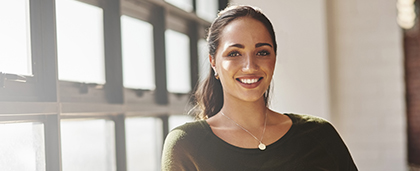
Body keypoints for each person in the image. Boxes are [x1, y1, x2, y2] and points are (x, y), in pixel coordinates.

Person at [162, 5, 358, 171]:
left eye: (262, 52)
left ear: (274, 59)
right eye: (234, 53)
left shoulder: (319, 136)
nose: (250, 66)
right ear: (213, 62)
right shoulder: (187, 145)